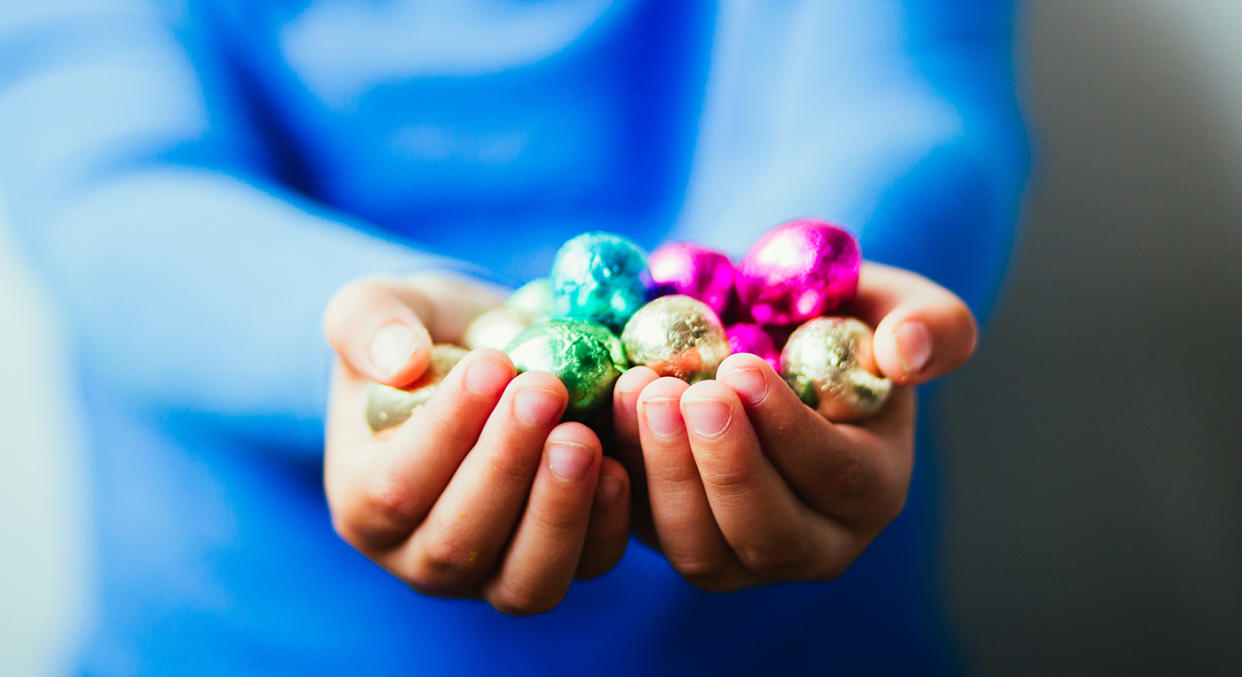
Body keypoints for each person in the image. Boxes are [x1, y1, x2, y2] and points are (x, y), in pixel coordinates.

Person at [0, 1, 1027, 674]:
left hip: (782, 638)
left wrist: (800, 320)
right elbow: (103, 174)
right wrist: (368, 345)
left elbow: (903, 97)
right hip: (244, 631)